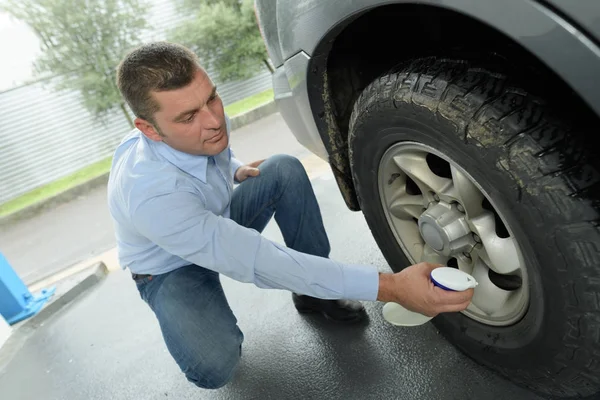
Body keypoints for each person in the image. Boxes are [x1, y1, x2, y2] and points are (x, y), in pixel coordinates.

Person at [107, 42, 474, 389]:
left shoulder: (197, 121)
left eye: (213, 98)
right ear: (148, 130)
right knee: (214, 366)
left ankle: (313, 296)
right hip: (168, 268)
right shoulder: (151, 194)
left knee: (282, 169)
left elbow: (210, 152)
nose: (214, 120)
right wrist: (391, 287)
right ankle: (198, 326)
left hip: (211, 220)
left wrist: (233, 168)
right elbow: (259, 260)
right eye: (189, 116)